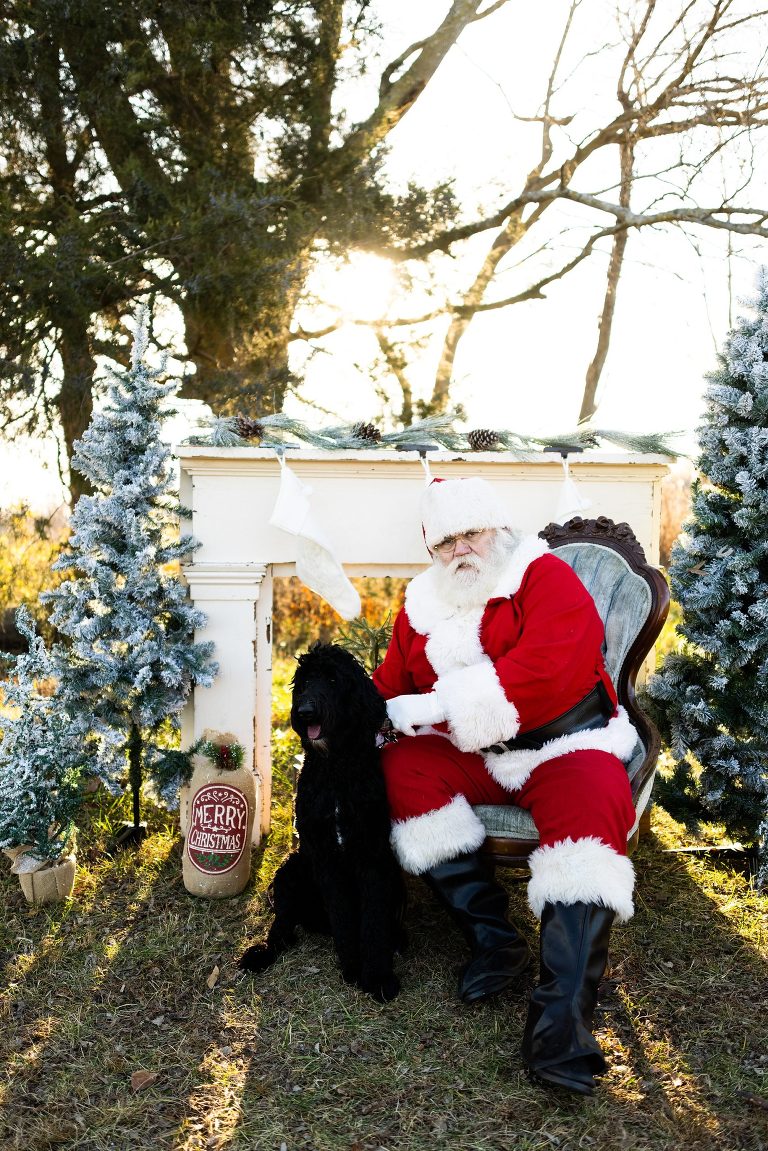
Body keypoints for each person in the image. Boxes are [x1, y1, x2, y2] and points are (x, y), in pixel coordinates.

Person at [372, 476, 638, 1096]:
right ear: (431, 550)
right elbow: (390, 686)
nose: (462, 549)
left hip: (563, 744)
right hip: (478, 754)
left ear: (496, 529)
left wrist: (436, 706)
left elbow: (546, 670)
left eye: (472, 532)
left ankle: (559, 1027)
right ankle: (493, 940)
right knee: (399, 769)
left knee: (590, 816)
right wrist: (352, 725)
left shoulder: (543, 576)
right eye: (447, 541)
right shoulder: (420, 604)